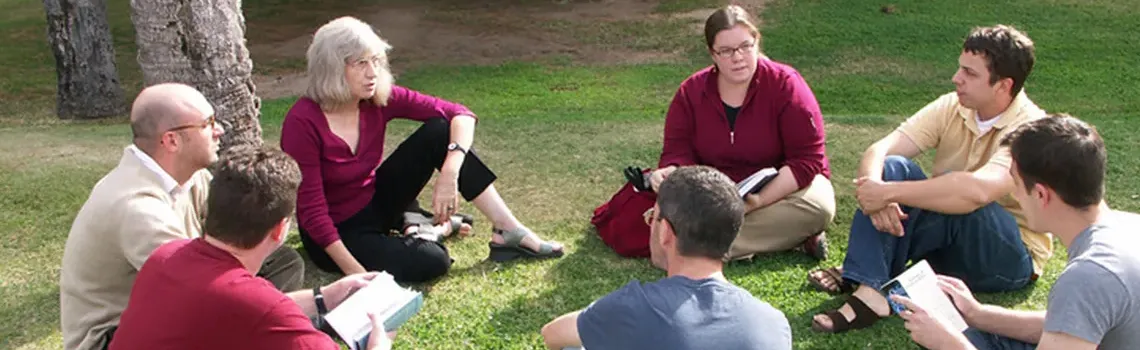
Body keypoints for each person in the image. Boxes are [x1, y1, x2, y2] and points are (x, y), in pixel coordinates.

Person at [280, 16, 564, 283]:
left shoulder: (376, 98)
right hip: (337, 231)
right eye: (360, 63)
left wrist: (450, 171)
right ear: (331, 67)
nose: (372, 73)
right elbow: (313, 213)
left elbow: (460, 114)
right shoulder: (302, 122)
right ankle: (431, 228)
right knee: (433, 261)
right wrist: (358, 277)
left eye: (376, 61)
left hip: (374, 199)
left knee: (440, 131)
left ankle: (508, 230)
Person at [807, 24, 1050, 333]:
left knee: (957, 188)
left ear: (1004, 85)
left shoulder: (1030, 130)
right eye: (960, 68)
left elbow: (975, 192)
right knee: (893, 165)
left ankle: (869, 277)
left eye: (970, 74)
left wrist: (887, 193)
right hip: (949, 245)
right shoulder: (952, 105)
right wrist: (874, 188)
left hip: (1009, 260)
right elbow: (881, 148)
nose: (956, 78)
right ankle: (870, 285)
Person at [59, 83, 304, 350]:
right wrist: (315, 301)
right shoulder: (137, 208)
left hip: (171, 300)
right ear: (171, 140)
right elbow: (197, 288)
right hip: (114, 337)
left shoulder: (191, 175)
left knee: (283, 262)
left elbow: (227, 240)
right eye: (207, 123)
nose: (219, 130)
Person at [109, 145, 397, 350]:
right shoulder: (260, 306)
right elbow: (257, 310)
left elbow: (237, 312)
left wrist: (324, 298)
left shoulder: (165, 257)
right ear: (280, 229)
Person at [893, 114, 1140, 350]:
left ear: (1041, 194)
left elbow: (1082, 305)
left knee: (959, 338)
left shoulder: (1089, 276)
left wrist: (948, 344)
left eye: (1016, 184)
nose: (1014, 195)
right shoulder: (1129, 227)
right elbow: (1074, 323)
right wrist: (978, 314)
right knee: (972, 333)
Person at [649, 5, 835, 262]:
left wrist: (755, 201)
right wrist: (669, 171)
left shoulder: (786, 84)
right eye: (726, 51)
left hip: (777, 190)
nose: (738, 57)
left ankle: (697, 248)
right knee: (666, 217)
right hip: (714, 194)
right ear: (711, 54)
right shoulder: (690, 92)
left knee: (819, 206)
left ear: (757, 42)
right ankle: (787, 239)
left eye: (745, 47)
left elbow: (807, 161)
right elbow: (677, 151)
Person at [540, 166, 792, 350]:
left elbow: (553, 335)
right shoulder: (773, 324)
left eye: (653, 216)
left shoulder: (633, 306)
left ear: (666, 232)